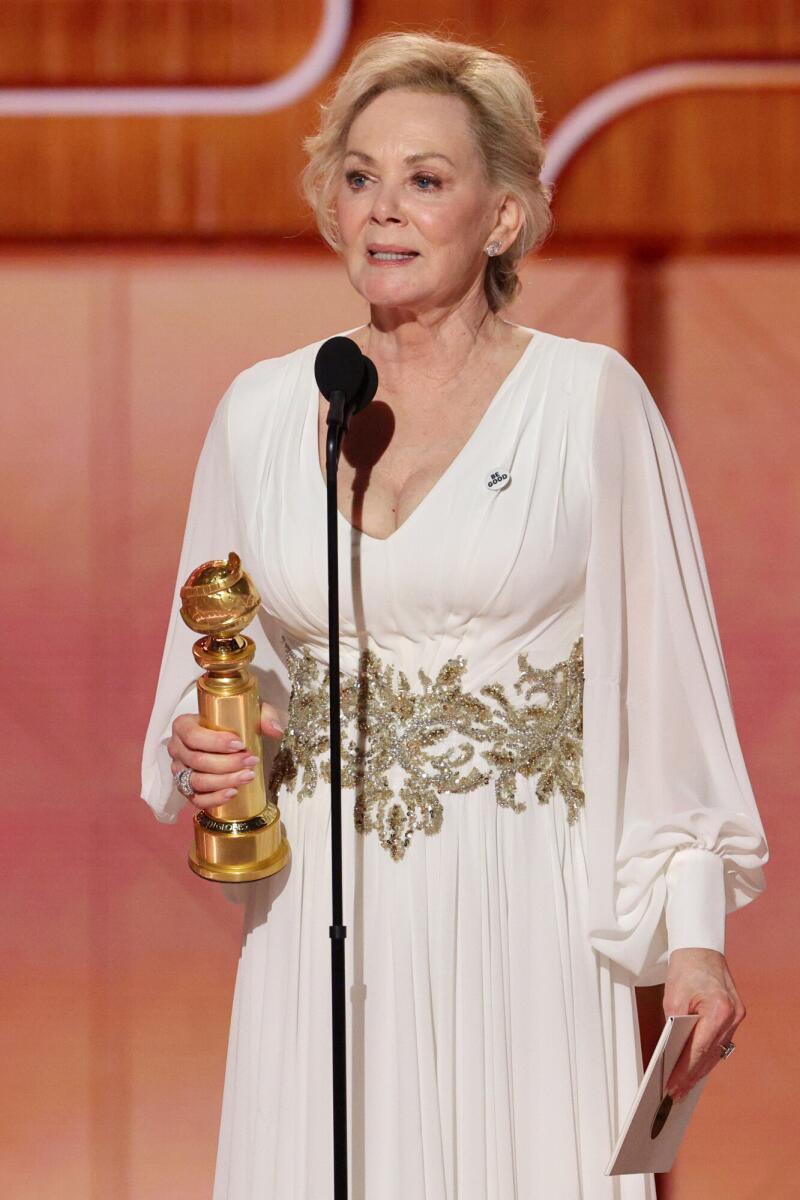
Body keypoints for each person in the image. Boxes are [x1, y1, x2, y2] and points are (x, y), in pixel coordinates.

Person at [141, 31, 769, 1200]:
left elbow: (664, 690)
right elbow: (214, 671)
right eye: (360, 175)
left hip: (523, 901)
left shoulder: (587, 402)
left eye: (425, 180)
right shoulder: (266, 410)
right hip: (318, 910)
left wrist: (692, 932)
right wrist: (214, 744)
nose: (383, 209)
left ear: (502, 218)